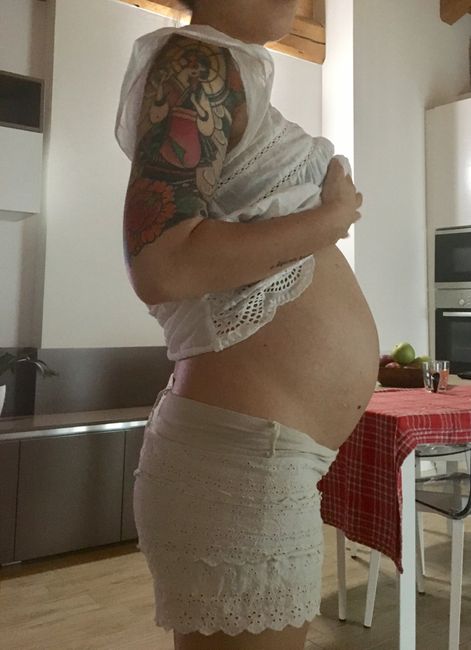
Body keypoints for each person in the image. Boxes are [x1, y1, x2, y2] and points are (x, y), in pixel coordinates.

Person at [115, 1, 379, 648]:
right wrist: (331, 219)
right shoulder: (195, 61)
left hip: (260, 454)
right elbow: (163, 265)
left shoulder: (227, 68)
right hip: (243, 458)